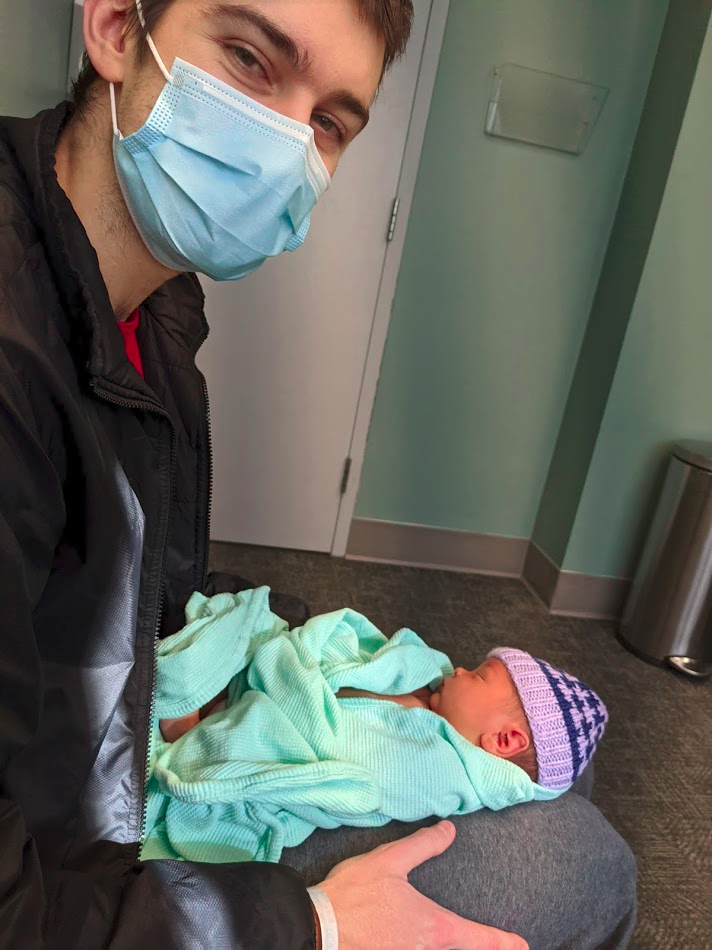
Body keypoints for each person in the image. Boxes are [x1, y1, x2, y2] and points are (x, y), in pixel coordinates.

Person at [0, 0, 636, 947]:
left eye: (330, 121)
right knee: (592, 866)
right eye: (253, 60)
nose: (285, 145)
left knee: (559, 762)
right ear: (115, 28)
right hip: (86, 874)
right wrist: (314, 924)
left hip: (133, 738)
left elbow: (135, 592)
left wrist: (281, 649)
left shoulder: (157, 327)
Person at [143, 587, 608, 868]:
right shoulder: (432, 682)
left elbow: (344, 766)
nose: (461, 671)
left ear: (503, 740)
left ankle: (195, 731)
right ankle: (219, 691)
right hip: (294, 684)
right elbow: (368, 652)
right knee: (251, 629)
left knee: (251, 730)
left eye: (478, 675)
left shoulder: (437, 767)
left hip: (294, 735)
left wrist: (292, 693)